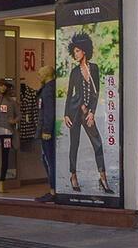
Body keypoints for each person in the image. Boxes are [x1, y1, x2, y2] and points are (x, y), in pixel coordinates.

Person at [63, 33, 113, 195]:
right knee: (74, 144)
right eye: (74, 52)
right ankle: (73, 175)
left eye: (77, 51)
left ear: (84, 50)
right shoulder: (74, 72)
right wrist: (66, 114)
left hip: (87, 113)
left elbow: (96, 93)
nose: (75, 54)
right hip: (73, 112)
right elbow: (69, 93)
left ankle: (103, 178)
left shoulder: (94, 69)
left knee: (97, 142)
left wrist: (92, 112)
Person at [34, 67, 58, 201]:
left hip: (47, 131)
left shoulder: (48, 89)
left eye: (40, 73)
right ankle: (53, 189)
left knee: (49, 160)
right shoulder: (49, 87)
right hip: (47, 129)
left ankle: (53, 191)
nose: (38, 75)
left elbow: (49, 111)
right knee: (48, 159)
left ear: (47, 74)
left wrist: (47, 130)